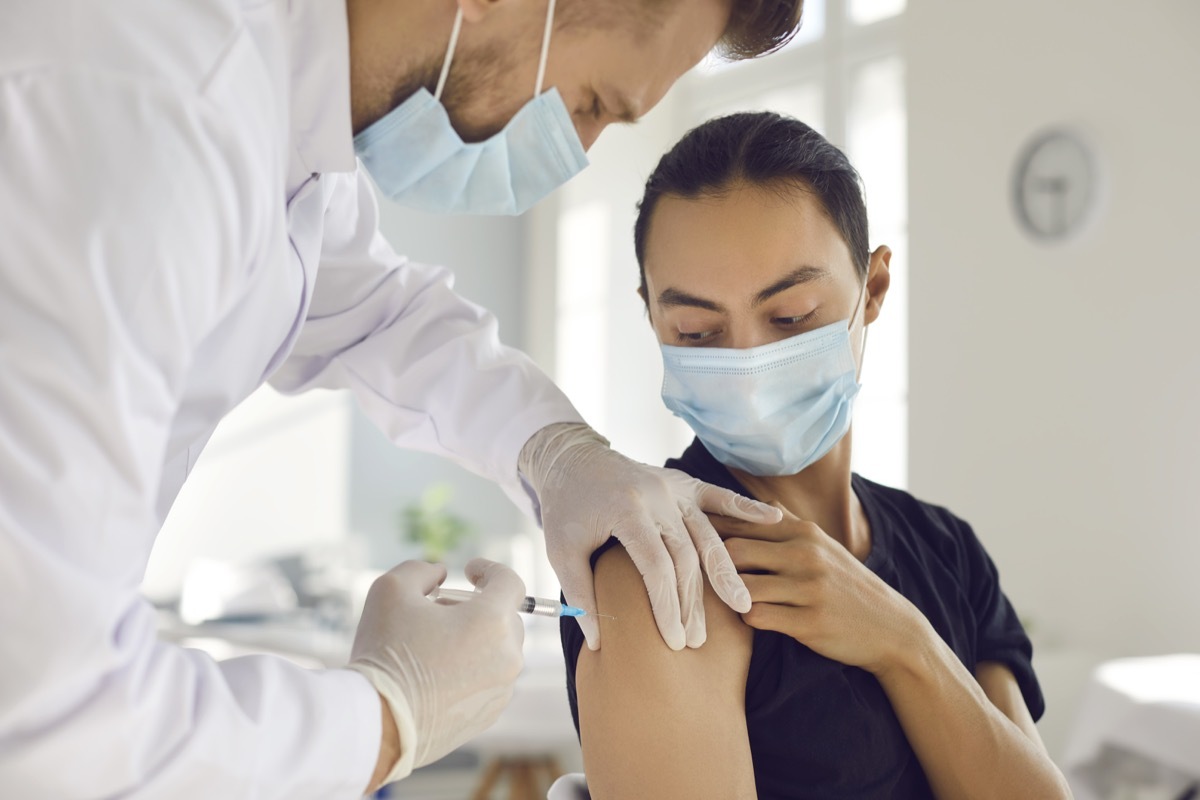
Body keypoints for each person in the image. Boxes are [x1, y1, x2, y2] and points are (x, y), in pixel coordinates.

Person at [0, 0, 805, 797]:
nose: (577, 150)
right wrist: (385, 719)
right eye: (591, 103)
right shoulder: (153, 109)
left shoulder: (284, 114)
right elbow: (45, 716)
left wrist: (561, 451)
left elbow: (378, 311)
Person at [559, 112, 1073, 799]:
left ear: (874, 289)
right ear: (651, 315)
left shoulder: (946, 549)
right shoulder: (661, 569)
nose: (746, 361)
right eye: (697, 329)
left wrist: (903, 644)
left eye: (791, 316)